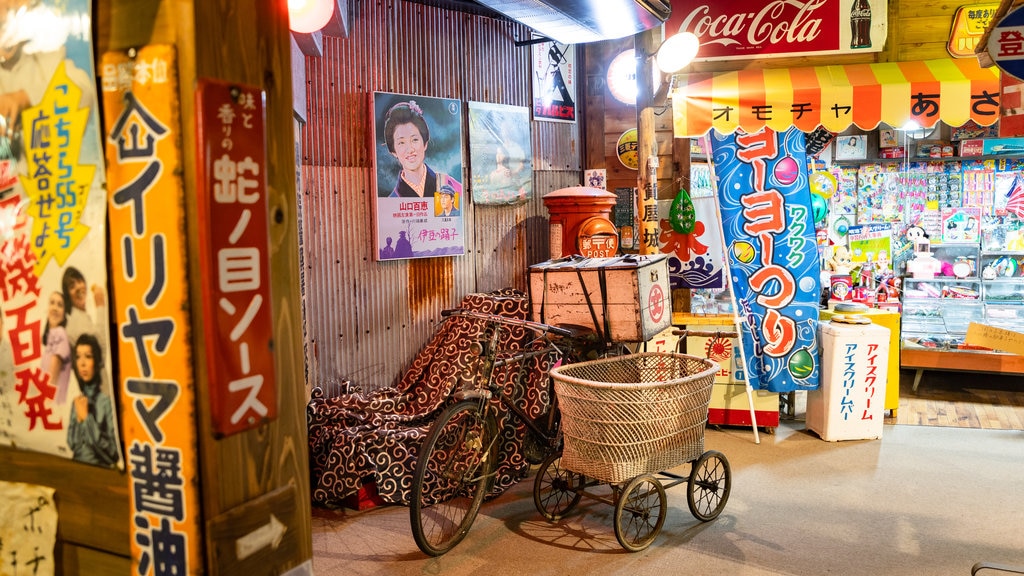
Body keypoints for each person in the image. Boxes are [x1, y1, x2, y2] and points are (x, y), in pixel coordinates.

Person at [382, 100, 462, 199]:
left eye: (414, 140)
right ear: (393, 151)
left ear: (425, 143)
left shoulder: (449, 185)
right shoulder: (392, 200)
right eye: (401, 142)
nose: (410, 149)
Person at [66, 333, 118, 467]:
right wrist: (80, 420)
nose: (82, 364)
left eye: (88, 357)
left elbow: (113, 453)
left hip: (100, 474)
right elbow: (72, 443)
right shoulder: (77, 402)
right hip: (76, 468)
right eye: (78, 357)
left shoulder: (106, 402)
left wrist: (87, 419)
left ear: (98, 361)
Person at [61, 266, 107, 352]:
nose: (78, 287)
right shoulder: (74, 323)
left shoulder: (83, 315)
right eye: (72, 286)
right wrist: (100, 305)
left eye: (79, 281)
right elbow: (100, 350)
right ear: (68, 296)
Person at [41, 290, 71, 405]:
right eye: (52, 303)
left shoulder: (60, 334)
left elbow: (51, 381)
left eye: (60, 305)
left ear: (64, 314)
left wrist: (45, 405)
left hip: (52, 406)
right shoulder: (51, 337)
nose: (54, 308)